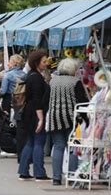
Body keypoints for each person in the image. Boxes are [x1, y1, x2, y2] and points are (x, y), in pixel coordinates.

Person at [46, 58, 89, 185]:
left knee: (58, 146)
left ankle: (56, 178)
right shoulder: (75, 82)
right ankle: (71, 175)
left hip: (55, 117)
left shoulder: (53, 81)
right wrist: (86, 119)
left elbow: (47, 98)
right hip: (71, 118)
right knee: (72, 147)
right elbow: (82, 102)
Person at [18, 50, 51, 182]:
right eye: (44, 61)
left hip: (28, 113)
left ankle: (24, 170)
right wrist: (41, 118)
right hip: (36, 113)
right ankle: (39, 172)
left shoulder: (30, 75)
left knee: (31, 142)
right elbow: (37, 99)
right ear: (37, 62)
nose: (46, 64)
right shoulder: (37, 78)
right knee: (39, 141)